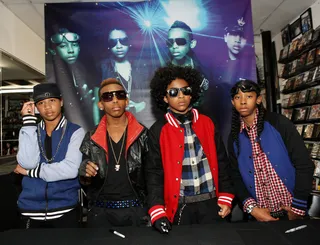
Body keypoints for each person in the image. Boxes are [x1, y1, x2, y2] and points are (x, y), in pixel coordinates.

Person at [146, 65, 234, 234]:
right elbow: (153, 173)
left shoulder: (207, 122)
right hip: (180, 207)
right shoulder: (158, 130)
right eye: (173, 92)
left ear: (192, 93)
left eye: (185, 91)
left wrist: (226, 196)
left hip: (211, 203)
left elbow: (222, 161)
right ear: (164, 97)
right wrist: (157, 210)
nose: (181, 96)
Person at [228, 80, 315, 221]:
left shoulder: (279, 123)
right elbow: (235, 175)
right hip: (258, 215)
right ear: (233, 102)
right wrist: (252, 209)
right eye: (238, 97)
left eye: (249, 96)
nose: (243, 102)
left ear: (259, 99)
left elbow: (304, 165)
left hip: (291, 211)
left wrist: (298, 208)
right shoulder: (234, 136)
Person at [78, 78, 149, 227]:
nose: (115, 100)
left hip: (136, 211)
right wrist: (84, 172)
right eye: (108, 96)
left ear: (127, 101)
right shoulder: (91, 138)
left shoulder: (143, 135)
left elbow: (153, 176)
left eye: (120, 95)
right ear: (100, 104)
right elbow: (85, 180)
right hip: (100, 212)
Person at [14, 83, 85, 228]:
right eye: (41, 103)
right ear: (36, 108)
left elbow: (70, 170)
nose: (47, 107)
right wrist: (28, 122)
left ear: (61, 102)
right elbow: (28, 162)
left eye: (52, 101)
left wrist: (29, 172)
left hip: (64, 209)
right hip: (30, 210)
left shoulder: (76, 131)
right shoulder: (29, 131)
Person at [101, 28, 146, 114]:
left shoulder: (141, 66)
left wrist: (142, 104)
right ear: (108, 46)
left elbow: (150, 97)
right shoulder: (103, 68)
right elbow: (97, 102)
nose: (119, 46)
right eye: (113, 42)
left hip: (141, 120)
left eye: (123, 41)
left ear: (129, 43)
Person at [166, 20, 209, 107]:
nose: (174, 46)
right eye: (170, 42)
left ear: (192, 43)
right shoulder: (163, 74)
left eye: (180, 41)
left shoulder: (204, 72)